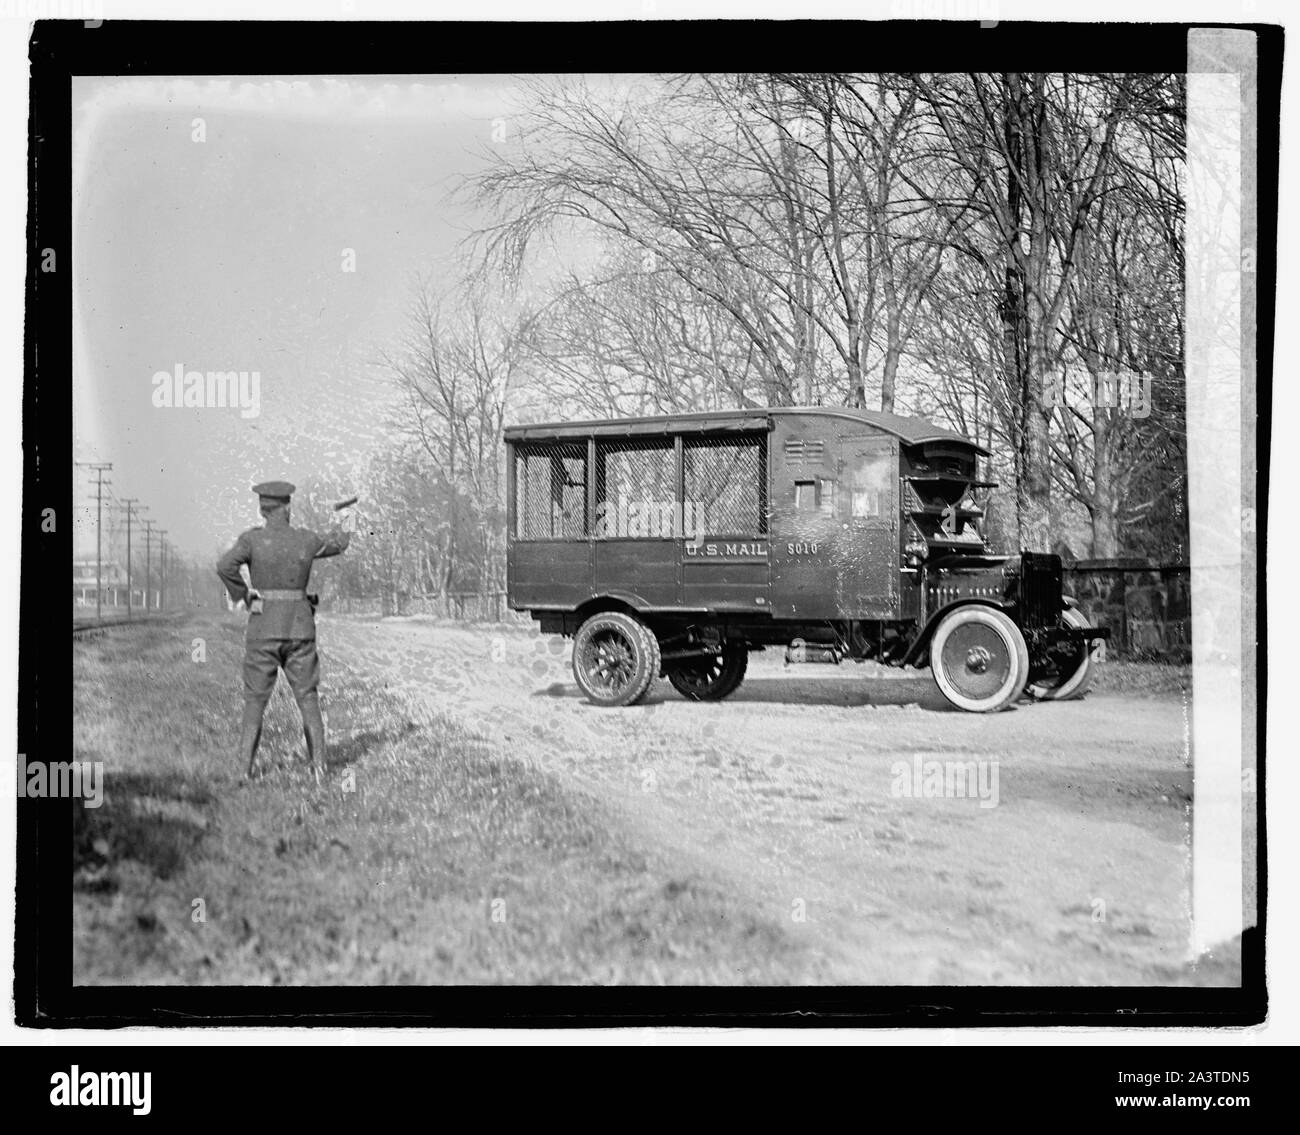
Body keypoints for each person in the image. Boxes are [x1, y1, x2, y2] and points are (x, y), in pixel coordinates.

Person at [216, 481, 353, 778]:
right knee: (307, 696)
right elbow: (340, 543)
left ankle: (243, 772)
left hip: (263, 627)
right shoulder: (305, 539)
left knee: (255, 700)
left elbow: (225, 566)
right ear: (288, 508)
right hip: (300, 627)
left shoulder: (252, 541)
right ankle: (319, 769)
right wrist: (346, 514)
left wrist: (244, 595)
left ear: (263, 510)